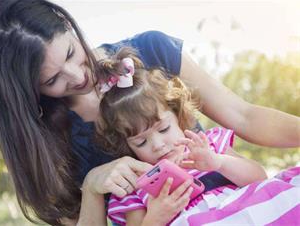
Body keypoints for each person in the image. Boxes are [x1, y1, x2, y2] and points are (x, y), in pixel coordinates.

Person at [0, 0, 299, 225]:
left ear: (68, 25)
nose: (77, 77)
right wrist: (92, 187)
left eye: (72, 54)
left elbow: (244, 116)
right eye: (51, 80)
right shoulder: (41, 137)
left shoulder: (150, 50)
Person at [95, 47, 267, 225]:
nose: (158, 145)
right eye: (141, 142)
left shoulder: (209, 144)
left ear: (177, 115)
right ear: (127, 146)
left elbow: (260, 178)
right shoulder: (135, 187)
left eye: (163, 129)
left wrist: (219, 163)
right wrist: (155, 218)